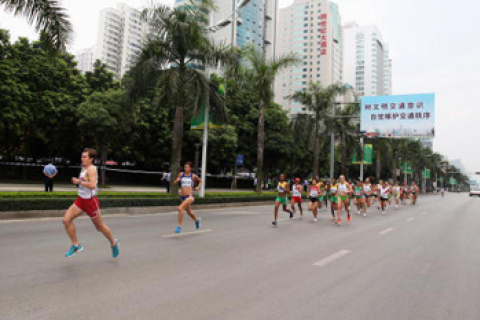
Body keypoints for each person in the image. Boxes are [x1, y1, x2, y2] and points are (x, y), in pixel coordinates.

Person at [63, 148, 119, 258]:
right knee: (66, 220)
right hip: (80, 200)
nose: (82, 158)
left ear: (91, 159)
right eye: (82, 156)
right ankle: (76, 245)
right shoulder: (84, 168)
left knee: (100, 227)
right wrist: (79, 182)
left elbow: (93, 185)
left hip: (90, 202)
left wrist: (79, 181)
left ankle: (113, 243)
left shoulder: (92, 169)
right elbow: (85, 183)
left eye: (85, 157)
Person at [174, 162, 202, 234]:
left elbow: (200, 180)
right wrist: (177, 180)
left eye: (187, 167)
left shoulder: (193, 176)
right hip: (182, 196)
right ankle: (197, 221)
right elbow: (175, 181)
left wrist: (198, 187)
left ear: (190, 168)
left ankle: (179, 227)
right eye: (185, 167)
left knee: (180, 208)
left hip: (189, 196)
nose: (186, 168)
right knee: (189, 212)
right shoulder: (181, 174)